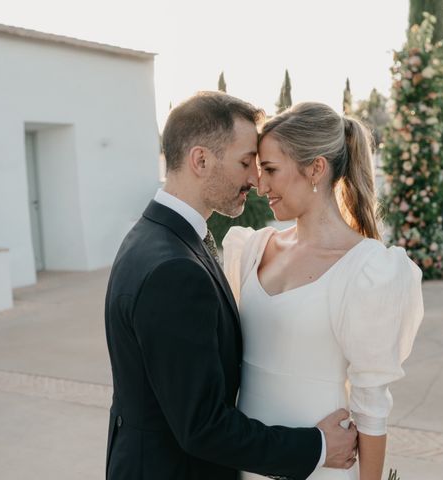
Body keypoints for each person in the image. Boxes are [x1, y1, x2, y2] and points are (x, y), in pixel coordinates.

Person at [104, 92, 358, 480]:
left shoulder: (151, 235)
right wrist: (318, 446)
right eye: (245, 162)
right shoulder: (174, 269)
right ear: (201, 160)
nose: (255, 180)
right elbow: (202, 427)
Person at [223, 102, 424, 480]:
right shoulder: (250, 249)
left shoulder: (369, 270)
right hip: (247, 459)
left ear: (316, 168)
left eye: (270, 170)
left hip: (322, 468)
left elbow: (371, 402)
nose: (260, 184)